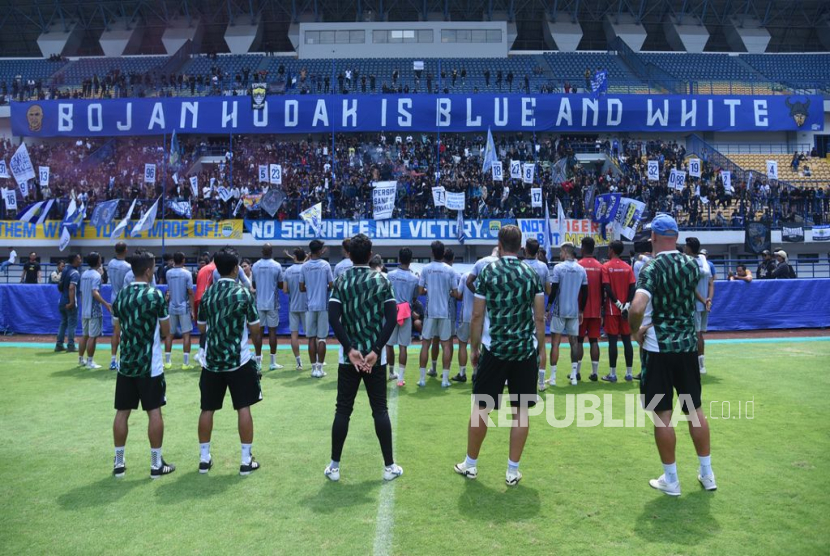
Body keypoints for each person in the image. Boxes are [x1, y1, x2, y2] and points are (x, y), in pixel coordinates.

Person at [628, 213, 716, 496]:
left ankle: (672, 480)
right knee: (695, 411)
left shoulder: (651, 268)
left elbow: (637, 307)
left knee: (662, 416)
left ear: (653, 237)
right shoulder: (693, 265)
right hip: (687, 347)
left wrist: (634, 332)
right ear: (676, 237)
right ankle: (707, 474)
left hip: (658, 350)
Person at [454, 225, 545, 486]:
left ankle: (470, 465)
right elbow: (539, 317)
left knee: (481, 409)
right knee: (521, 413)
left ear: (499, 243)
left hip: (494, 350)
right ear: (520, 247)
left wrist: (474, 348)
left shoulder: (488, 272)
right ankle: (512, 470)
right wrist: (541, 350)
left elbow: (477, 315)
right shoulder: (531, 273)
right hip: (524, 351)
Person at [325, 234, 403, 483]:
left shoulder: (341, 280)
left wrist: (349, 349)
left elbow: (333, 317)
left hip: (349, 358)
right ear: (370, 255)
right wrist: (377, 349)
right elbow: (391, 318)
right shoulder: (381, 279)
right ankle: (389, 466)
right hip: (373, 358)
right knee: (380, 410)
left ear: (349, 254)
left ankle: (335, 466)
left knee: (343, 410)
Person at [197, 247, 263, 476]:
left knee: (207, 409)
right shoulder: (243, 293)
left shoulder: (208, 294)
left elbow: (202, 328)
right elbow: (255, 330)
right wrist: (258, 355)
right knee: (243, 407)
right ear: (236, 269)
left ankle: (204, 458)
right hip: (239, 360)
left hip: (212, 361)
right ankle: (246, 460)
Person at [111, 249, 175, 479]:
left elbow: (117, 331)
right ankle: (156, 464)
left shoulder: (121, 296)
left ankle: (119, 462)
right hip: (150, 366)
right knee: (154, 411)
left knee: (122, 412)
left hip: (126, 363)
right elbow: (167, 331)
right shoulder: (155, 295)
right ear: (148, 271)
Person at [417, 240, 459, 388]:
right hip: (445, 312)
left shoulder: (425, 269)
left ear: (432, 253)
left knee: (425, 344)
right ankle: (445, 380)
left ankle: (422, 379)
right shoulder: (451, 270)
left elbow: (420, 291)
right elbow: (455, 293)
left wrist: (431, 291)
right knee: (446, 345)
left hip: (430, 312)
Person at [546, 242, 587, 387]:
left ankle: (553, 377)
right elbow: (585, 292)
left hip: (559, 310)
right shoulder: (581, 269)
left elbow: (554, 289)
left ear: (565, 251)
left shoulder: (558, 268)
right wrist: (581, 310)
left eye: (561, 252)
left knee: (555, 343)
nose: (560, 254)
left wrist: (548, 308)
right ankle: (574, 376)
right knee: (573, 343)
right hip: (574, 310)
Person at [601, 240, 636, 382]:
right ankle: (629, 373)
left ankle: (613, 374)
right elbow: (633, 287)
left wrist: (618, 304)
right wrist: (626, 305)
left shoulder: (606, 267)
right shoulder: (628, 267)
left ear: (611, 250)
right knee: (627, 340)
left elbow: (607, 288)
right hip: (626, 310)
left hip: (612, 309)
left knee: (613, 341)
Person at [385, 248, 420, 387]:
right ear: (411, 260)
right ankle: (401, 378)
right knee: (403, 346)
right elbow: (414, 297)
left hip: (392, 311)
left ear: (399, 258)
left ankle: (391, 372)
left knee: (389, 344)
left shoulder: (390, 275)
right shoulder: (414, 278)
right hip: (405, 312)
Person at [300, 239, 334, 378]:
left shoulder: (305, 266)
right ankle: (320, 369)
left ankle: (314, 369)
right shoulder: (325, 265)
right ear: (320, 250)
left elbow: (301, 288)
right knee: (322, 338)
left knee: (311, 338)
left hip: (310, 306)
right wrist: (323, 287)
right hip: (323, 306)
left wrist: (311, 287)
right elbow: (331, 285)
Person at [523, 239, 552, 390]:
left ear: (525, 249)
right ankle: (540, 383)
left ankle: (514, 379)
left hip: (522, 312)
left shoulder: (521, 266)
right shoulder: (543, 267)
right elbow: (548, 290)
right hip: (538, 311)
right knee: (541, 346)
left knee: (520, 345)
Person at [251, 244, 284, 371]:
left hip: (259, 303)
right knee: (272, 332)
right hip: (272, 303)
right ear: (271, 252)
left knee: (259, 332)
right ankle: (272, 362)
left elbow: (254, 284)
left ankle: (258, 362)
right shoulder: (276, 265)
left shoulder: (255, 265)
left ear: (262, 251)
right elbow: (281, 285)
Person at [684, 238, 713, 375]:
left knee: (695, 334)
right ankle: (701, 365)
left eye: (686, 246)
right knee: (699, 334)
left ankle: (697, 365)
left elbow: (692, 287)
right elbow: (711, 284)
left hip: (695, 304)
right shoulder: (704, 261)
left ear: (689, 248)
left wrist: (702, 300)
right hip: (704, 304)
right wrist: (708, 300)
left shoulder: (688, 262)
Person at [577, 237, 603, 381]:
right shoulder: (600, 266)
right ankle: (595, 373)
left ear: (582, 248)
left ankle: (577, 372)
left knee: (579, 340)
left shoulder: (578, 265)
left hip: (581, 310)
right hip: (596, 310)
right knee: (594, 341)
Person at [79, 252, 111, 369]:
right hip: (94, 310)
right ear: (98, 261)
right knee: (93, 336)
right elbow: (95, 292)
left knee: (85, 335)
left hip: (84, 309)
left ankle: (81, 359)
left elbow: (82, 292)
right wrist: (106, 303)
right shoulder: (96, 275)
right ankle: (90, 361)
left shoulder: (84, 274)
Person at [164, 252, 195, 370]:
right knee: (186, 334)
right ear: (183, 260)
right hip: (184, 307)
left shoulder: (168, 273)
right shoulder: (187, 273)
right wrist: (192, 309)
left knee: (169, 334)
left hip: (171, 307)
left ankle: (167, 362)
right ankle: (185, 363)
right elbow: (190, 292)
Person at [107, 242, 132, 370]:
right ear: (125, 250)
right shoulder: (128, 267)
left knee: (115, 330)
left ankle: (113, 359)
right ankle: (123, 359)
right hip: (124, 298)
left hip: (113, 297)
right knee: (125, 330)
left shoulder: (110, 263)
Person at [283, 248, 308, 371]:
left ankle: (299, 363)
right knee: (312, 335)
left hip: (293, 306)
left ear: (294, 257)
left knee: (294, 334)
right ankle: (317, 361)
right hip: (306, 306)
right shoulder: (306, 268)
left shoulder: (288, 270)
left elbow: (285, 290)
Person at [55, 253, 81, 353]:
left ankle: (59, 344)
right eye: (79, 259)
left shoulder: (64, 270)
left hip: (62, 300)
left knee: (63, 323)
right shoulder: (75, 273)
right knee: (72, 324)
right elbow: (71, 288)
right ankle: (71, 345)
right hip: (69, 301)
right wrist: (71, 302)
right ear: (74, 260)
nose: (80, 260)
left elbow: (60, 286)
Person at [194, 253, 216, 366]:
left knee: (203, 328)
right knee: (208, 328)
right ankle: (202, 353)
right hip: (206, 299)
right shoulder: (214, 269)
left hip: (198, 298)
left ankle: (201, 352)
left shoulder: (203, 268)